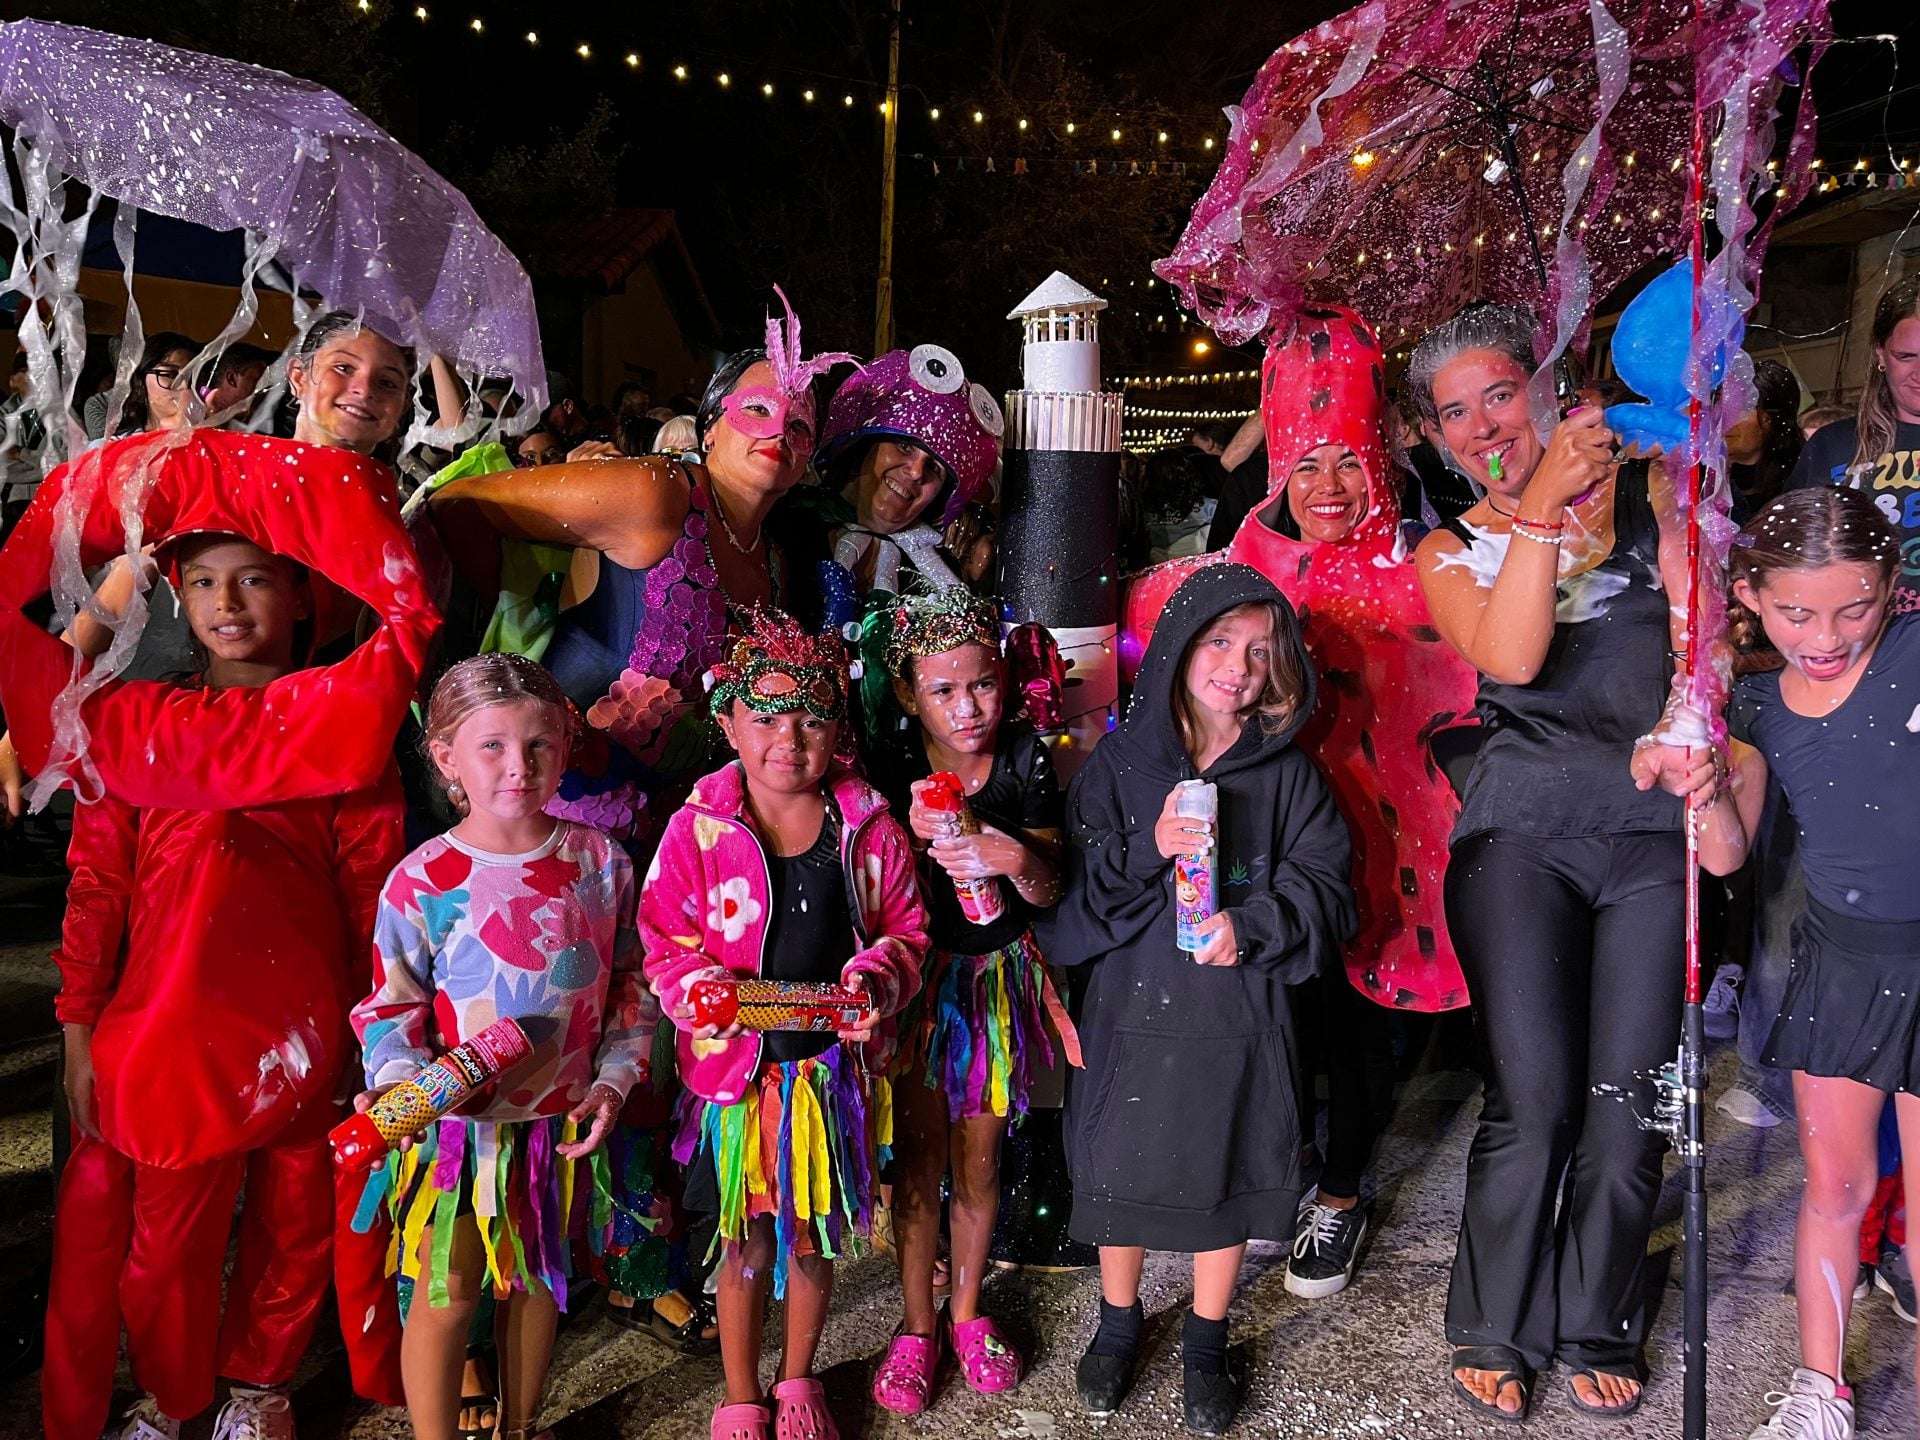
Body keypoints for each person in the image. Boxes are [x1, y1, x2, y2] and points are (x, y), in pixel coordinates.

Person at [42, 530, 405, 1440]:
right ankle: (172, 1395)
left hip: (307, 1030)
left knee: (296, 1220)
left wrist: (379, 1025)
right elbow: (99, 887)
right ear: (177, 597)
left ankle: (262, 1384)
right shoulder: (134, 721)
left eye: (254, 582)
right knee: (164, 1247)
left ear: (303, 598)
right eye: (203, 581)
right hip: (168, 1030)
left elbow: (374, 891)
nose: (227, 603)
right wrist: (80, 1024)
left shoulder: (343, 727)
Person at [1409, 301, 1695, 1421]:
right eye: (1455, 414)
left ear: (1546, 385)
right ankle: (1494, 1321)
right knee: (1534, 1099)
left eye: (1500, 394)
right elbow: (1515, 654)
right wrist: (1534, 506)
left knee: (1629, 1099)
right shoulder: (1450, 548)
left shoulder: (1650, 493)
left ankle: (1597, 1319)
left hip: (1648, 832)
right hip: (1518, 838)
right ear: (1436, 439)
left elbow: (1704, 639)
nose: (1485, 423)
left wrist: (1678, 481)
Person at [1047, 562, 1356, 1437]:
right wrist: (1147, 846)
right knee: (1120, 1167)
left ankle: (1208, 1339)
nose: (1239, 666)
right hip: (1130, 1011)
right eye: (1220, 641)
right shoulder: (1118, 763)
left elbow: (1329, 888)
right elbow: (1073, 898)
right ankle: (1118, 1323)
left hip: (1240, 1018)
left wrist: (1254, 924)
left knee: (1228, 1164)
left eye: (1261, 652)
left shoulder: (1290, 776)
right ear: (1180, 647)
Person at [1221, 307, 1479, 1292]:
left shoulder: (1431, 565)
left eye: (1347, 463)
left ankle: (1341, 1190)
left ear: (1379, 461)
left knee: (1358, 1014)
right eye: (1307, 464)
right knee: (1271, 1009)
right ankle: (1273, 1173)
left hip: (1386, 840)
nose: (1328, 489)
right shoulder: (1250, 567)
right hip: (1272, 838)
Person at [639, 609, 927, 1440]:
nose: (788, 740)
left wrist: (879, 978)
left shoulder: (868, 823)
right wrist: (697, 988)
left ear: (838, 725)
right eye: (764, 718)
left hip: (825, 1081)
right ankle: (739, 1391)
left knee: (809, 1241)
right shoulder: (698, 827)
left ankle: (798, 1379)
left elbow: (906, 929)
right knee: (742, 1242)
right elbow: (662, 937)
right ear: (727, 721)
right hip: (738, 1085)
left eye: (810, 719)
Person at [351, 653, 651, 1440]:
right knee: (446, 1293)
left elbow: (630, 982)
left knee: (536, 1284)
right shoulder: (421, 881)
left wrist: (615, 1078)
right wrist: (400, 1086)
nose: (519, 767)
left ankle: (521, 1424)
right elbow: (392, 1008)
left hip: (558, 1127)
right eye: (492, 746)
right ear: (446, 756)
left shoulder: (600, 861)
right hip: (460, 1135)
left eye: (539, 745)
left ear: (564, 742)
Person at [1668, 487, 1914, 1439]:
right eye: (1796, 611)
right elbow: (1729, 854)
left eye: (1855, 606)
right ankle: (1821, 1389)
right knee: (1837, 1187)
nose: (1826, 633)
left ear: (1892, 588)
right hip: (1842, 970)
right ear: (1752, 597)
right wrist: (1704, 787)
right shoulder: (1758, 705)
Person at [868, 586, 1076, 1416]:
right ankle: (915, 1324)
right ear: (909, 694)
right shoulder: (887, 767)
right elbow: (866, 893)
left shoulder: (1026, 757)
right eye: (943, 690)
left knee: (979, 1161)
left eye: (982, 684)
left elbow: (1053, 888)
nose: (968, 708)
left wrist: (1008, 855)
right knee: (916, 1161)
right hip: (918, 987)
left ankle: (964, 1312)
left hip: (995, 981)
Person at [801, 343, 1003, 607]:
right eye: (904, 446)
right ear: (864, 445)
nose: (917, 472)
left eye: (934, 468)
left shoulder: (942, 577)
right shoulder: (790, 525)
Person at [1790, 276, 1920, 610]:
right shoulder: (1832, 444)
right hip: (1858, 646)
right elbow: (1792, 554)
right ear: (1880, 354)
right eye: (1906, 356)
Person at [1726, 357, 1806, 525]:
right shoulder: (1700, 480)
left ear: (1774, 418)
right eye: (1720, 406)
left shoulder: (1804, 481)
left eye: (1742, 408)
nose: (1725, 418)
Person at [110, 332, 200, 439]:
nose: (185, 386)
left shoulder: (213, 438)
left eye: (192, 376)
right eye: (170, 374)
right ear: (141, 380)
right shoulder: (114, 447)